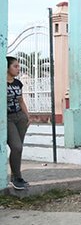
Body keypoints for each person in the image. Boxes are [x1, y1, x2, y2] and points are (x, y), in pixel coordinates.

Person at [6, 56, 30, 190]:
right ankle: (15, 176)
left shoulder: (18, 83)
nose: (18, 68)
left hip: (20, 117)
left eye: (18, 66)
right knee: (16, 147)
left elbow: (21, 100)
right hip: (7, 118)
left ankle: (17, 177)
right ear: (7, 67)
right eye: (15, 66)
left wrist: (27, 116)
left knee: (19, 148)